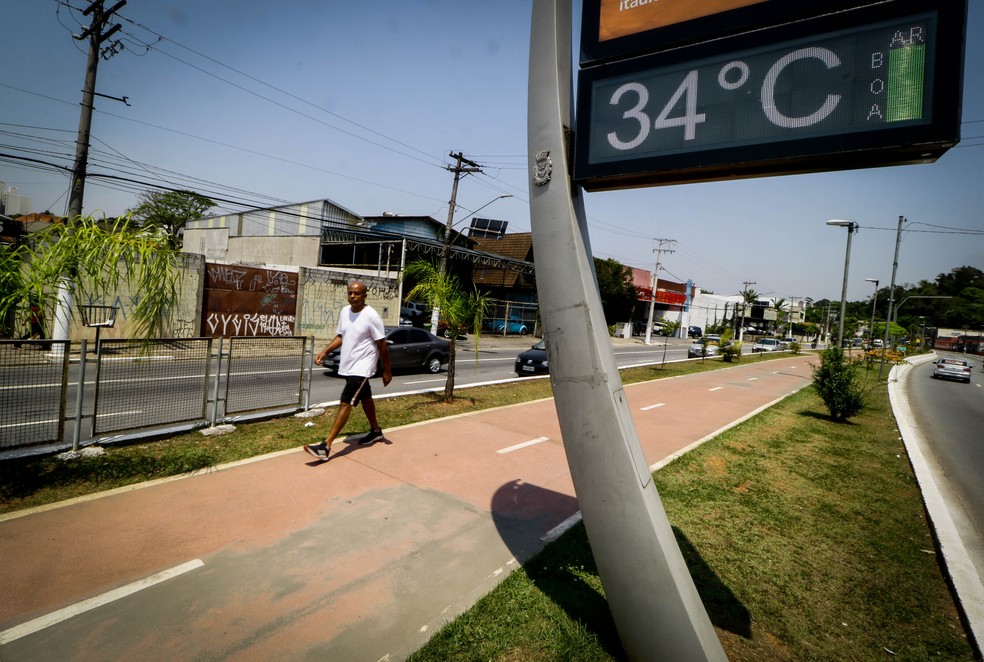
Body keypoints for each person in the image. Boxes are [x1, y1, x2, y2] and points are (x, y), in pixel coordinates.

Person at [304, 281, 392, 461]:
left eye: (357, 293)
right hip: (349, 365)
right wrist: (325, 351)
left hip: (362, 367)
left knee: (346, 402)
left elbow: (382, 344)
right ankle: (376, 431)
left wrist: (387, 370)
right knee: (365, 397)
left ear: (365, 296)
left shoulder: (371, 316)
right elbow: (341, 336)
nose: (352, 296)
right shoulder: (345, 312)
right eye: (350, 293)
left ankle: (326, 446)